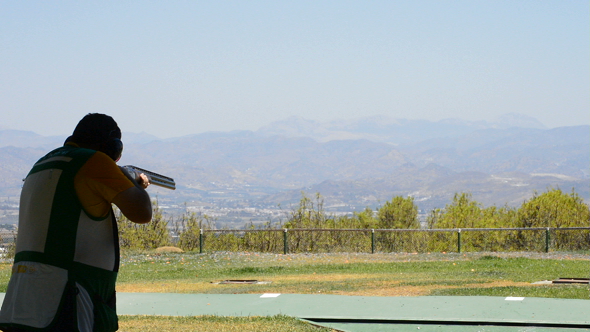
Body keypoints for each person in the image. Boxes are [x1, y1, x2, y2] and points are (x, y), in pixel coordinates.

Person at [0, 113, 152, 332]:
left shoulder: (43, 163)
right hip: (68, 298)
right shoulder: (94, 161)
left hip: (24, 299)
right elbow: (142, 212)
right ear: (113, 147)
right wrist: (131, 180)